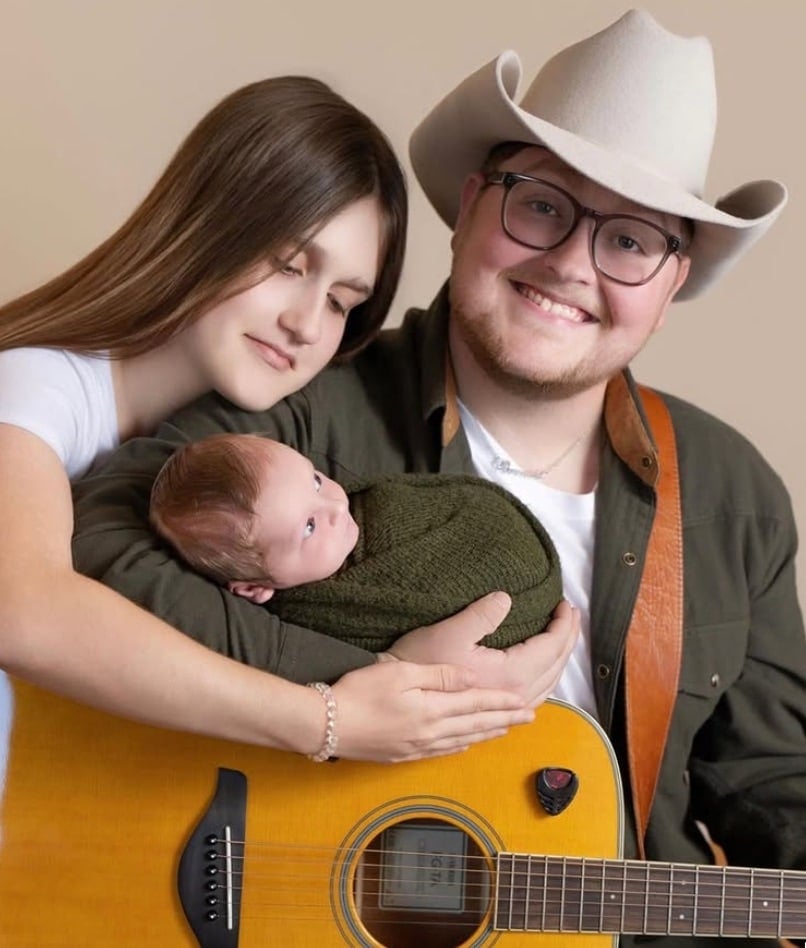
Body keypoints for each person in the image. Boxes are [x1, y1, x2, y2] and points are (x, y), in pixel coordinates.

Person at [72, 9, 806, 937]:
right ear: (471, 208)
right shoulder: (297, 406)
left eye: (630, 240)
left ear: (671, 284)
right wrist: (367, 689)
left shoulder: (732, 494)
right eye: (542, 204)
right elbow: (96, 545)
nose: (572, 264)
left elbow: (773, 788)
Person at [0, 73, 572, 799]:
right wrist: (334, 716)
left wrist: (443, 680)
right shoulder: (33, 386)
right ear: (207, 224)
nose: (308, 324)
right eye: (288, 266)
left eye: (340, 301)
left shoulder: (255, 461)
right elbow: (24, 614)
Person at [149, 432, 563, 649]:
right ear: (256, 589)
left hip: (503, 546)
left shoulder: (370, 510)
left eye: (314, 479)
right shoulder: (300, 628)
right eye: (308, 527)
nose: (331, 503)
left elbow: (462, 507)